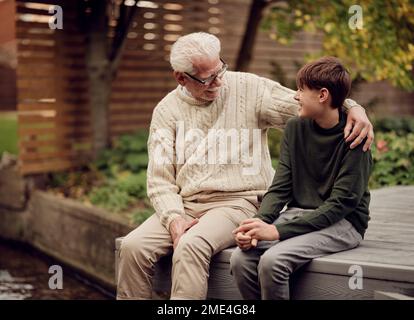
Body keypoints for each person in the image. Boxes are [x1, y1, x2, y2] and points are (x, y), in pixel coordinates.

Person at [116, 32, 374, 300]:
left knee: (190, 246)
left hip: (237, 202)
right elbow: (159, 180)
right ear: (181, 78)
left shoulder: (249, 89)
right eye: (207, 78)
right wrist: (174, 218)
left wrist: (354, 106)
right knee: (133, 247)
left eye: (220, 70)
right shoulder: (165, 111)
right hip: (186, 204)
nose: (218, 82)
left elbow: (311, 102)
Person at [230, 56, 373, 300]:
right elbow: (280, 188)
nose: (295, 96)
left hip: (344, 223)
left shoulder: (355, 137)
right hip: (299, 214)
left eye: (301, 90)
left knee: (273, 261)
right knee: (240, 259)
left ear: (322, 95)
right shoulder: (295, 128)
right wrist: (258, 224)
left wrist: (277, 232)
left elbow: (341, 205)